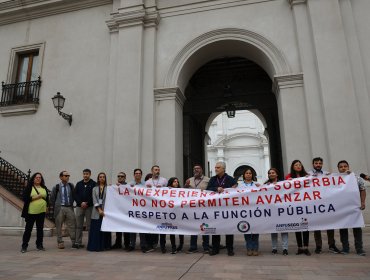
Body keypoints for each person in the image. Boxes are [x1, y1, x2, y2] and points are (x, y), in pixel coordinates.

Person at [309, 157, 340, 254]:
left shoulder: (327, 174)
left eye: (320, 163)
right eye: (316, 163)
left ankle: (332, 245)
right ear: (313, 164)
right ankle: (318, 246)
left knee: (330, 224)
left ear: (322, 164)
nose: (318, 165)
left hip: (326, 203)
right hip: (315, 203)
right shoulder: (308, 174)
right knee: (316, 226)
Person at [206, 161, 237, 256]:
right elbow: (208, 189)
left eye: (218, 167)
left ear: (223, 169)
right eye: (215, 167)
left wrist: (233, 187)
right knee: (216, 228)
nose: (216, 169)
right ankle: (215, 248)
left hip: (227, 208)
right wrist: (216, 189)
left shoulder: (230, 179)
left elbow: (236, 190)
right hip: (215, 208)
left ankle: (230, 249)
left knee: (229, 229)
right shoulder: (213, 179)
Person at [337, 160, 366, 256]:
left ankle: (359, 248)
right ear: (338, 169)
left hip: (354, 207)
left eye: (345, 166)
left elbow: (362, 190)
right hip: (342, 208)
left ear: (348, 167)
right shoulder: (335, 179)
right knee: (343, 228)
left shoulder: (356, 178)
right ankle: (345, 248)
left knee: (357, 228)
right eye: (341, 167)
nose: (343, 168)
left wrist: (362, 202)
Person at [285, 160, 311, 256]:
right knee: (297, 226)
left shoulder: (307, 175)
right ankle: (300, 247)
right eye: (296, 165)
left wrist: (310, 179)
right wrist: (288, 181)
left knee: (305, 226)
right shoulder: (289, 177)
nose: (298, 166)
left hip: (305, 204)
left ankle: (306, 247)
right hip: (295, 205)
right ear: (293, 167)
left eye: (300, 164)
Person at [21, 172, 49, 253]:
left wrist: (47, 206)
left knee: (40, 229)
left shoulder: (44, 187)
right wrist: (37, 197)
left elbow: (47, 198)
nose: (38, 179)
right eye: (36, 177)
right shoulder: (29, 187)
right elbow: (25, 198)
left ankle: (39, 245)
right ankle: (24, 246)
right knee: (28, 230)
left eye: (40, 177)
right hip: (31, 212)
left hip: (41, 212)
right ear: (33, 179)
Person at [185, 164, 210, 254]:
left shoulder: (208, 180)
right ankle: (193, 247)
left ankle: (206, 247)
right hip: (192, 208)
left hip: (204, 208)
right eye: (194, 168)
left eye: (198, 168)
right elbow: (184, 192)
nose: (196, 170)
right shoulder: (190, 180)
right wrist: (186, 186)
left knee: (205, 227)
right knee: (193, 227)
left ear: (202, 170)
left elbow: (211, 191)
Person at [50, 171, 78, 249]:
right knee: (59, 225)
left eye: (68, 175)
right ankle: (60, 242)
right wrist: (56, 206)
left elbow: (74, 195)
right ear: (61, 177)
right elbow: (52, 198)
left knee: (72, 225)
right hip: (60, 208)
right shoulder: (56, 187)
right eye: (65, 175)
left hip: (69, 207)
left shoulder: (71, 185)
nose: (67, 177)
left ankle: (73, 242)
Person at [265, 168, 289, 256]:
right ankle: (274, 248)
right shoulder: (266, 184)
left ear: (277, 174)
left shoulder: (283, 183)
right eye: (270, 173)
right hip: (272, 211)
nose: (271, 174)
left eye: (273, 173)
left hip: (282, 210)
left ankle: (285, 248)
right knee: (273, 230)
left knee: (284, 229)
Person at [87, 172, 112, 251]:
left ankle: (105, 246)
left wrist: (104, 210)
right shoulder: (94, 189)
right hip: (96, 211)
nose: (102, 178)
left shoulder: (109, 188)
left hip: (106, 211)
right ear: (98, 178)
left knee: (105, 229)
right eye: (100, 177)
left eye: (103, 177)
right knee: (96, 229)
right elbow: (94, 200)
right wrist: (99, 209)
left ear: (105, 178)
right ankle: (95, 246)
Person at [159, 177, 184, 254]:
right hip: (166, 213)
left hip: (177, 213)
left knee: (177, 230)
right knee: (163, 230)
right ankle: (163, 247)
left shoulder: (181, 191)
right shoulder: (166, 191)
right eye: (174, 182)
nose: (176, 183)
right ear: (170, 183)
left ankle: (178, 246)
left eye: (177, 181)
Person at [145, 165, 167, 251]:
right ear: (152, 171)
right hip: (151, 207)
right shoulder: (148, 182)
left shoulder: (164, 180)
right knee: (151, 225)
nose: (157, 171)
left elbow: (169, 191)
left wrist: (163, 188)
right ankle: (151, 243)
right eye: (155, 170)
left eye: (158, 169)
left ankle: (162, 245)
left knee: (161, 226)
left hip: (161, 207)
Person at [239, 168, 260, 256]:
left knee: (255, 229)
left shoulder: (257, 185)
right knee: (246, 229)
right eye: (246, 173)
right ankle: (249, 248)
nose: (248, 174)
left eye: (250, 173)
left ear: (252, 175)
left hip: (255, 210)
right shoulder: (240, 185)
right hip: (245, 211)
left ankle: (255, 249)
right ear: (244, 175)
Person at [74, 168, 96, 249]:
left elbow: (94, 195)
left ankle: (90, 242)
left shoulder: (93, 184)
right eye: (84, 174)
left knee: (89, 226)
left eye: (87, 174)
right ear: (82, 175)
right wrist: (80, 203)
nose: (85, 175)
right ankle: (78, 242)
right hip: (79, 207)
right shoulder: (79, 183)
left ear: (90, 174)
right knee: (78, 226)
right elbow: (75, 194)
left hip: (89, 207)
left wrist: (87, 203)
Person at [128, 168, 148, 252]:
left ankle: (143, 245)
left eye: (139, 173)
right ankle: (132, 244)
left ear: (141, 175)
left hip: (142, 208)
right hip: (133, 209)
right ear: (134, 175)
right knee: (133, 227)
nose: (138, 174)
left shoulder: (146, 184)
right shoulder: (130, 184)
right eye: (136, 173)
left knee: (141, 227)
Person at [111, 172, 130, 250]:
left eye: (122, 176)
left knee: (126, 228)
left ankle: (127, 244)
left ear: (125, 178)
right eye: (118, 176)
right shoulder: (114, 187)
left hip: (126, 210)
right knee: (118, 228)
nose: (120, 177)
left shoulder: (128, 187)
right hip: (117, 210)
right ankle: (118, 243)